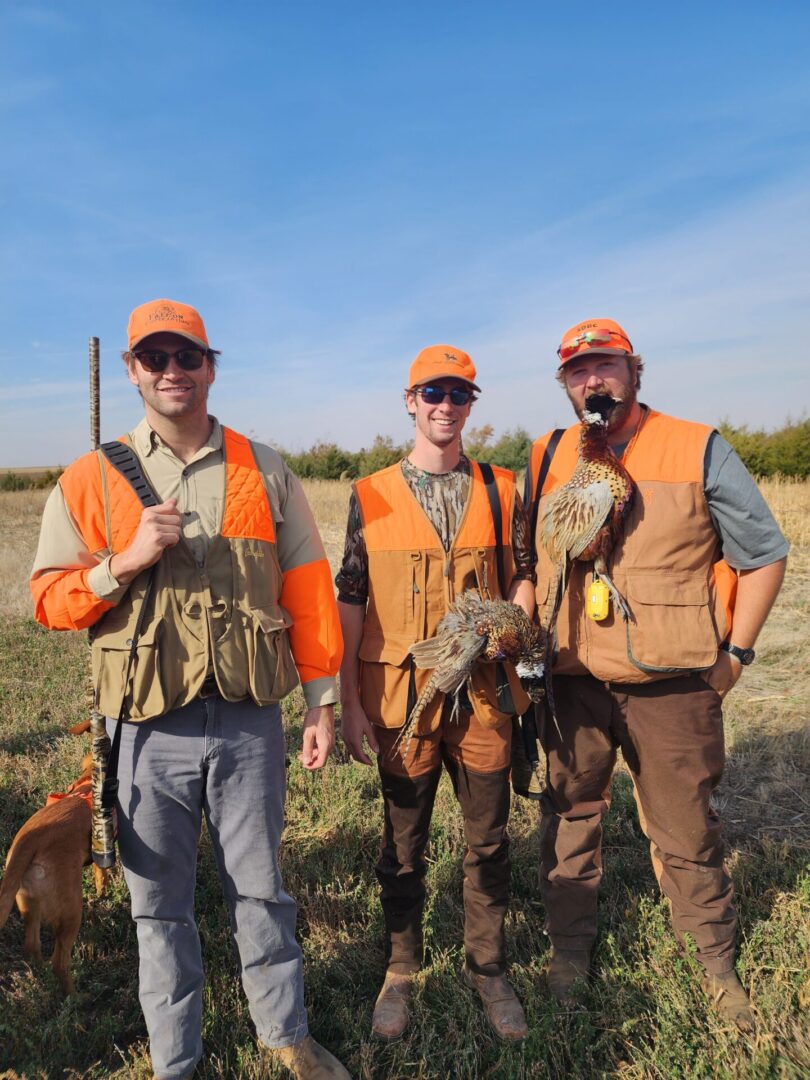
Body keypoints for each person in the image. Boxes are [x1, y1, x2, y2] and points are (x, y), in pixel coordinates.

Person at [30, 299, 350, 1080]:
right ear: (135, 371)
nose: (172, 371)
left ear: (211, 366)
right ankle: (178, 1061)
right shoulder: (90, 476)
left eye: (187, 356)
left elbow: (307, 586)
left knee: (262, 891)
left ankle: (288, 1037)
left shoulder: (261, 465)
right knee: (157, 907)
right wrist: (124, 561)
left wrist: (322, 697)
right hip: (143, 727)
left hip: (247, 720)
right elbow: (46, 599)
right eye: (154, 358)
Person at [526, 317, 789, 1030]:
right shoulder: (547, 454)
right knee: (569, 819)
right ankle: (570, 953)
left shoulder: (696, 445)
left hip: (673, 680)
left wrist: (736, 655)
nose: (593, 381)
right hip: (573, 677)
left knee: (685, 828)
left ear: (635, 370)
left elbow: (764, 553)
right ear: (565, 386)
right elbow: (530, 560)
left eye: (605, 365)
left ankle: (714, 963)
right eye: (577, 372)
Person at [336, 345, 535, 1042]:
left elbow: (524, 575)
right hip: (402, 702)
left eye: (459, 394)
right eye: (433, 393)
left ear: (472, 405)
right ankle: (401, 969)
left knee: (488, 839)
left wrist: (517, 626)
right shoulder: (370, 492)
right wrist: (350, 703)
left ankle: (488, 969)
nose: (446, 406)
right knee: (402, 844)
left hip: (483, 699)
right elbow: (351, 597)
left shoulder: (500, 486)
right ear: (410, 400)